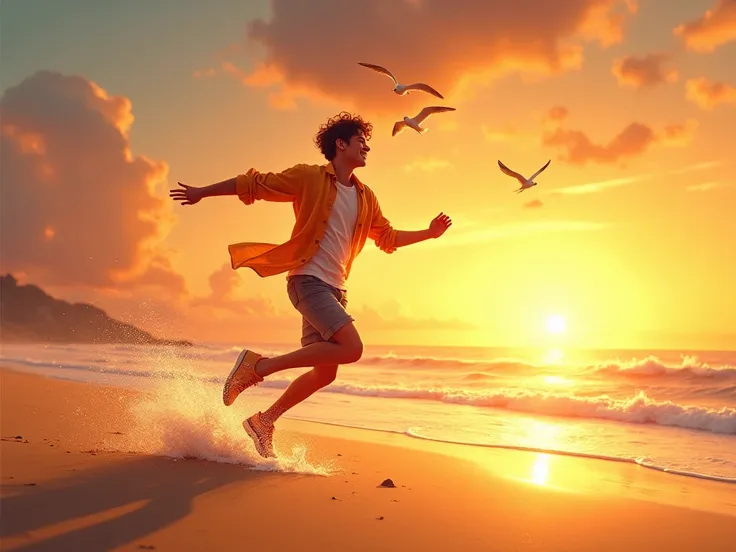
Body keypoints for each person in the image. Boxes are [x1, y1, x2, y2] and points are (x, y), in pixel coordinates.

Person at [169, 112, 452, 458]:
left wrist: (429, 233)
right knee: (352, 348)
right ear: (341, 144)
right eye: (361, 142)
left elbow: (388, 238)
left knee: (325, 374)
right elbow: (254, 184)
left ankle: (264, 421)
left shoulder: (367, 197)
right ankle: (257, 368)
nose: (367, 148)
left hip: (335, 290)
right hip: (307, 281)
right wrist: (203, 192)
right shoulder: (309, 178)